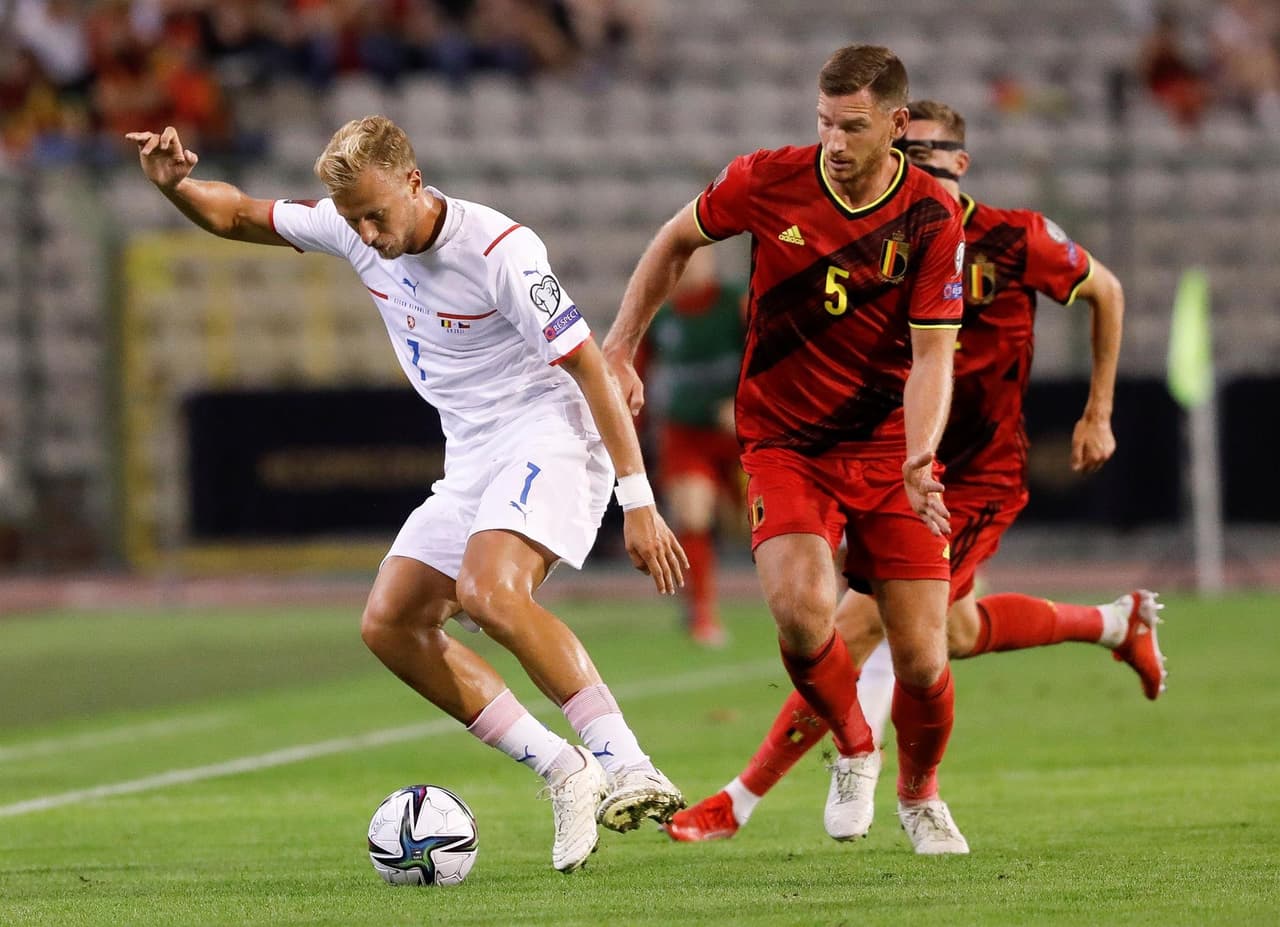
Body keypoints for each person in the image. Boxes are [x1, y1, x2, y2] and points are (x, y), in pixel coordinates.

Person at [126, 115, 689, 874]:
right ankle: (566, 769)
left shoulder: (501, 251)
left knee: (489, 592)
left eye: (377, 214)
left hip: (550, 433)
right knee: (390, 621)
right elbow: (235, 214)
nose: (366, 232)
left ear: (415, 182)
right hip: (473, 456)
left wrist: (640, 500)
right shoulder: (351, 226)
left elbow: (591, 368)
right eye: (353, 218)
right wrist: (177, 188)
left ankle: (628, 762)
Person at [664, 99, 1168, 846]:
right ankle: (1117, 622)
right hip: (893, 457)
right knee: (952, 631)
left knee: (861, 625)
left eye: (931, 156)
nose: (914, 166)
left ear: (959, 165)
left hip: (971, 472)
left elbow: (1109, 290)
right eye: (909, 151)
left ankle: (745, 798)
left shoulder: (1012, 237)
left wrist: (1098, 410)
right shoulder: (884, 235)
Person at [603, 46, 971, 855]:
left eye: (854, 126)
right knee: (802, 616)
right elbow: (673, 241)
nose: (835, 140)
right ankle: (855, 746)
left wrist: (919, 455)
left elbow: (935, 354)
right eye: (824, 122)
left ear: (898, 127)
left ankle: (922, 791)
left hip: (884, 447)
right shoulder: (766, 180)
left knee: (921, 658)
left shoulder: (933, 220)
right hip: (783, 441)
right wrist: (623, 344)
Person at [646, 247, 746, 646]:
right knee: (692, 515)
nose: (688, 267)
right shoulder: (661, 315)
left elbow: (769, 358)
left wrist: (743, 403)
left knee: (754, 527)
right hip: (685, 434)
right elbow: (638, 369)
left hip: (741, 434)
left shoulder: (735, 304)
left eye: (696, 258)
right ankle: (701, 614)